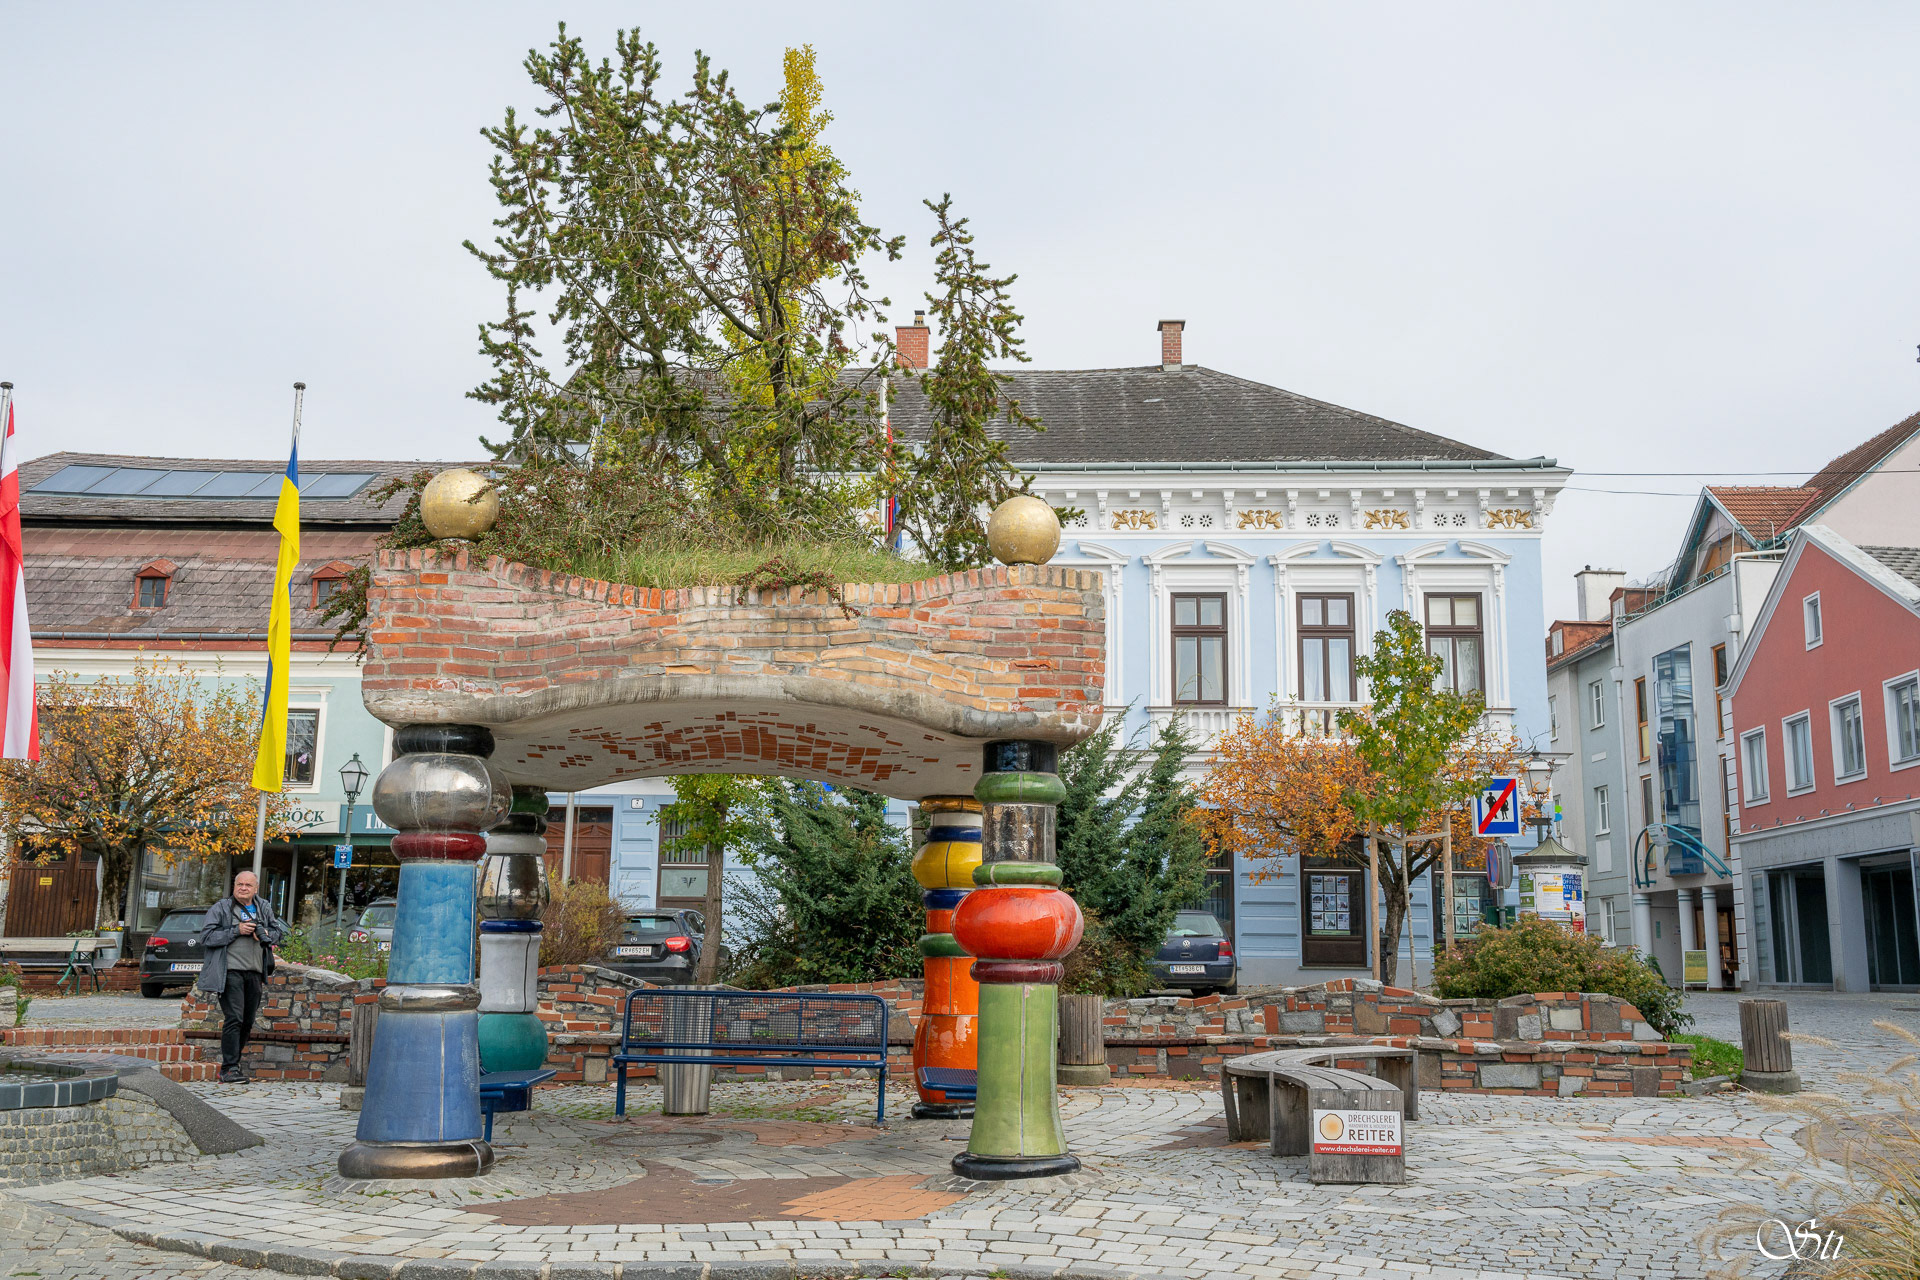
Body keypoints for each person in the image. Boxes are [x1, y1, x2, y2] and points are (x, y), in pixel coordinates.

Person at [195, 870, 285, 1083]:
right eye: (239, 884)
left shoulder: (263, 907)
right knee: (234, 1017)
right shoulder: (221, 908)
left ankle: (233, 1063)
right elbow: (206, 937)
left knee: (247, 1020)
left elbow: (278, 933)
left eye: (248, 885)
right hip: (229, 971)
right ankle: (228, 1069)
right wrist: (237, 930)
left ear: (256, 888)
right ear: (234, 886)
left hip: (254, 971)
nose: (243, 888)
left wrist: (265, 934)